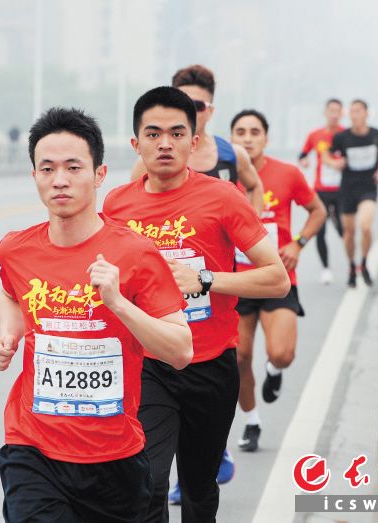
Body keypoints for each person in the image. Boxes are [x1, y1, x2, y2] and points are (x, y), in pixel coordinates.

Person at [0, 107, 193, 523]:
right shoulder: (15, 248)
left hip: (113, 459)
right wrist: (9, 337)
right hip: (33, 448)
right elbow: (11, 293)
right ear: (35, 177)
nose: (59, 179)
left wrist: (118, 303)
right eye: (47, 169)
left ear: (99, 175)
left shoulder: (136, 253)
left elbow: (180, 350)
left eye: (73, 167)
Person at [103, 86, 289, 523]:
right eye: (153, 134)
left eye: (176, 133)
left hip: (211, 364)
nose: (164, 143)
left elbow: (276, 278)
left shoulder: (223, 198)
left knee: (199, 489)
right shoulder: (117, 204)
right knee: (147, 483)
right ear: (136, 143)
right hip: (149, 362)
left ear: (194, 140)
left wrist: (205, 280)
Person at [230, 109, 326, 451]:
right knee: (239, 358)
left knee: (282, 353)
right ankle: (252, 422)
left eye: (255, 131)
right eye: (240, 131)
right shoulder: (221, 178)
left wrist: (297, 243)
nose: (248, 137)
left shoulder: (287, 173)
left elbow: (319, 210)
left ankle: (274, 370)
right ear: (231, 139)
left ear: (266, 138)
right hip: (235, 280)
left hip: (277, 277)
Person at [130, 64, 264, 215]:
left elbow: (255, 187)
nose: (189, 111)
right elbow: (132, 206)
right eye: (181, 105)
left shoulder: (233, 154)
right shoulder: (149, 160)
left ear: (210, 111)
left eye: (197, 105)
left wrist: (251, 227)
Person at [324, 99, 378, 287]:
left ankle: (364, 262)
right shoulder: (342, 137)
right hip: (347, 190)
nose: (355, 115)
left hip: (368, 188)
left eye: (359, 111)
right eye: (352, 112)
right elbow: (326, 155)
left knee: (365, 226)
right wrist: (334, 163)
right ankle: (352, 266)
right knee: (349, 232)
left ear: (367, 113)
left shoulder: (377, 135)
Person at [299, 98, 345, 285]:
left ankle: (353, 264)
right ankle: (326, 268)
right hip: (321, 190)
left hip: (341, 191)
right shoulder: (315, 135)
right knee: (320, 229)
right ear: (325, 112)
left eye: (337, 111)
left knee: (344, 230)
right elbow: (303, 154)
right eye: (331, 111)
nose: (334, 114)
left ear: (341, 114)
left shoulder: (345, 135)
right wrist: (304, 161)